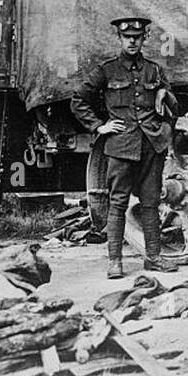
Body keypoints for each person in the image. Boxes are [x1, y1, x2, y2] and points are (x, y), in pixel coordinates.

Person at [71, 17, 177, 280]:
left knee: (151, 203)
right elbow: (78, 100)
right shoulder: (106, 71)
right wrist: (99, 127)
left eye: (137, 37)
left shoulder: (155, 71)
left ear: (144, 39)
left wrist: (165, 96)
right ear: (119, 38)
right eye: (127, 37)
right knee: (117, 204)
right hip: (121, 147)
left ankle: (153, 258)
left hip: (151, 145)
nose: (132, 41)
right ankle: (115, 261)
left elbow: (172, 108)